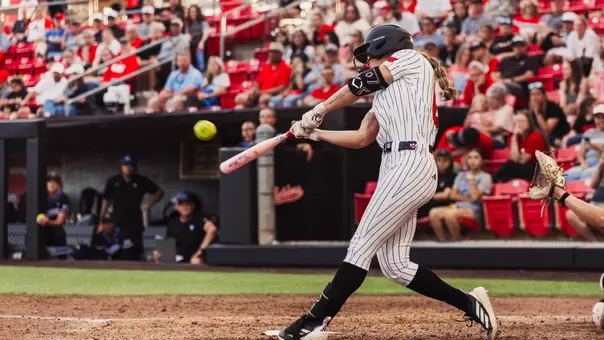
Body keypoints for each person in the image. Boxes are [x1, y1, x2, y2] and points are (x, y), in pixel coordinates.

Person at [278, 24, 497, 340]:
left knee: (360, 245)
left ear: (386, 46)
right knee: (395, 265)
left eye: (369, 54)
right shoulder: (388, 93)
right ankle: (471, 304)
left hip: (410, 161)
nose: (366, 61)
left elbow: (360, 83)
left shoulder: (410, 59)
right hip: (395, 164)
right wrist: (315, 133)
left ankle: (313, 322)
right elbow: (362, 137)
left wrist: (320, 108)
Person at [100, 155, 164, 261]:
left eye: (131, 165)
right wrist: (102, 220)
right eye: (125, 165)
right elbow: (106, 200)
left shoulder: (141, 180)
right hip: (116, 222)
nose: (128, 168)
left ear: (135, 167)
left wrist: (147, 204)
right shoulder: (113, 181)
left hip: (134, 222)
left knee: (132, 250)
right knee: (117, 250)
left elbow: (160, 193)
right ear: (121, 166)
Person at [530, 151, 604, 242]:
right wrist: (601, 164)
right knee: (571, 214)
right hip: (596, 203)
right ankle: (595, 244)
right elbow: (592, 185)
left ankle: (556, 190)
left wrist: (560, 192)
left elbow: (601, 219)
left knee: (601, 218)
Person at [428, 149, 492, 241]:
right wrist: (469, 198)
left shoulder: (486, 177)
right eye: (469, 158)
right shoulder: (461, 175)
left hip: (474, 209)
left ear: (481, 161)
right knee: (433, 213)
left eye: (476, 157)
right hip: (457, 206)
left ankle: (456, 242)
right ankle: (443, 241)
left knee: (450, 215)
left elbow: (474, 197)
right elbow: (453, 195)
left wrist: (471, 181)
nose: (472, 160)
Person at [493, 110, 548, 182]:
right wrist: (514, 138)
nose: (518, 124)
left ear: (529, 123)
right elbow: (513, 158)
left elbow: (523, 161)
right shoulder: (513, 136)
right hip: (522, 168)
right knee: (510, 166)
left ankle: (494, 181)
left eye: (522, 121)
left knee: (509, 167)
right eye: (516, 121)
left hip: (538, 169)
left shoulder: (535, 136)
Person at [165, 193, 217, 264]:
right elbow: (168, 242)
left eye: (187, 204)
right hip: (177, 256)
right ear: (177, 207)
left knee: (195, 261)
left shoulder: (199, 219)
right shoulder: (173, 222)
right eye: (181, 204)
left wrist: (201, 250)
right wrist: (159, 253)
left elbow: (212, 229)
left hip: (194, 256)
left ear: (192, 206)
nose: (185, 207)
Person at [235, 42, 291, 108]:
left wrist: (261, 92)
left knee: (263, 98)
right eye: (270, 51)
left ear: (280, 54)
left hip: (273, 95)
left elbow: (281, 88)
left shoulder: (285, 67)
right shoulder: (266, 67)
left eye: (275, 52)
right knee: (239, 98)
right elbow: (258, 83)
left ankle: (263, 117)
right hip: (260, 92)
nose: (271, 54)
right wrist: (253, 91)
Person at [565, 105, 604, 182]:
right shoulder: (589, 133)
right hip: (588, 163)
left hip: (601, 165)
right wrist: (583, 163)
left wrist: (598, 148)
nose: (601, 120)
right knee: (566, 175)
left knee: (586, 174)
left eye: (603, 117)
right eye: (598, 118)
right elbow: (581, 154)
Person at [38, 172, 71, 258]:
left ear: (59, 184)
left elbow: (60, 221)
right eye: (49, 181)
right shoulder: (39, 197)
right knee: (34, 233)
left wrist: (48, 221)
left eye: (55, 181)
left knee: (59, 233)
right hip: (41, 228)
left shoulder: (63, 198)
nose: (52, 184)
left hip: (55, 228)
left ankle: (62, 261)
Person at [528, 81, 570, 145]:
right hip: (545, 139)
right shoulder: (531, 111)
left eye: (538, 94)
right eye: (532, 95)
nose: (535, 98)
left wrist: (537, 113)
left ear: (544, 96)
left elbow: (547, 130)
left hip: (560, 138)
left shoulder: (554, 108)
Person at [417, 149, 456, 218]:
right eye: (439, 160)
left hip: (443, 205)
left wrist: (427, 197)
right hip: (428, 202)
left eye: (445, 160)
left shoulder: (453, 176)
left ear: (450, 162)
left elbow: (445, 195)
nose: (441, 163)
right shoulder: (431, 175)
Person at [185, 5, 210, 71]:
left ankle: (201, 69)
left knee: (199, 48)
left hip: (200, 41)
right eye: (191, 12)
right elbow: (187, 33)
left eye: (194, 12)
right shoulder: (188, 23)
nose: (193, 14)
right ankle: (189, 68)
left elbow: (206, 32)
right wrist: (188, 37)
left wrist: (202, 42)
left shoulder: (202, 21)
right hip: (191, 42)